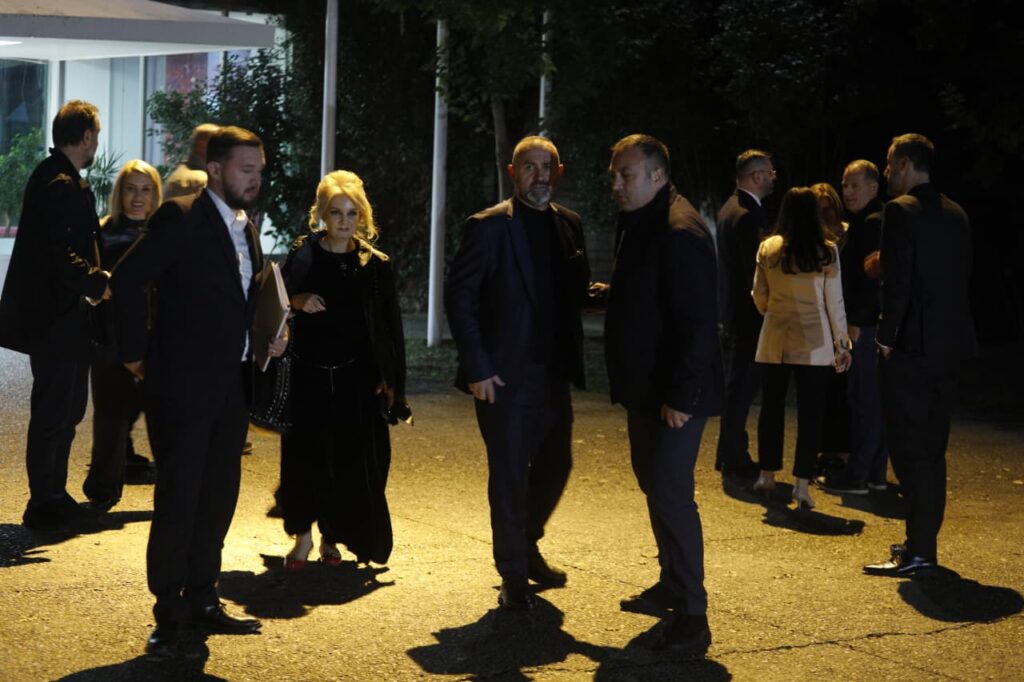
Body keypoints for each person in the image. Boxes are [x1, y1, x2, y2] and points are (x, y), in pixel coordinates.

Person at [110, 126, 286, 657]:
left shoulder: (244, 225)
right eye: (245, 170)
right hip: (182, 387)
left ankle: (204, 599)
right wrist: (134, 353)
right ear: (215, 168)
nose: (255, 179)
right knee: (179, 501)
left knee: (217, 498)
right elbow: (127, 279)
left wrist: (272, 333)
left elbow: (244, 296)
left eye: (259, 171)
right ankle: (168, 616)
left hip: (233, 382)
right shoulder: (180, 216)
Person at [446, 135, 591, 609]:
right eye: (529, 167)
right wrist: (478, 367)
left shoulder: (569, 224)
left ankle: (526, 545)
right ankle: (512, 574)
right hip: (503, 377)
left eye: (546, 167)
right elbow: (460, 297)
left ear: (558, 172)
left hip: (553, 374)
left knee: (556, 465)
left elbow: (575, 292)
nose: (539, 175)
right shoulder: (488, 227)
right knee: (510, 475)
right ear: (513, 173)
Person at [604, 134, 722, 657]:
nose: (616, 184)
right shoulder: (642, 219)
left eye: (626, 175)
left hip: (674, 395)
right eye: (613, 175)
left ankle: (693, 617)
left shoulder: (680, 229)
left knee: (672, 494)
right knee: (655, 485)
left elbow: (699, 324)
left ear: (657, 175)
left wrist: (681, 396)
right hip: (647, 389)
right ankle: (673, 584)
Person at [277, 170, 409, 569]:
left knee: (349, 461)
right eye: (336, 212)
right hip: (307, 374)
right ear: (322, 214)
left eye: (352, 213)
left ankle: (331, 538)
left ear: (362, 216)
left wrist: (391, 381)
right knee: (303, 459)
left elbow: (390, 328)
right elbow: (275, 300)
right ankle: (302, 538)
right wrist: (297, 300)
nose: (344, 220)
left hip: (356, 378)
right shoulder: (303, 254)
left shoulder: (374, 265)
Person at [864, 134, 977, 577]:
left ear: (906, 164)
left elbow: (898, 282)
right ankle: (922, 544)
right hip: (950, 345)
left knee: (908, 448)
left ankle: (918, 550)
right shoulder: (957, 213)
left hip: (911, 347)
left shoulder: (900, 211)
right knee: (932, 448)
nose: (887, 172)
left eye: (890, 163)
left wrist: (885, 337)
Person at [0, 100, 111, 529]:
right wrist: (97, 282)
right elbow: (61, 255)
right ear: (86, 136)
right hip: (58, 320)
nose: (96, 144)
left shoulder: (52, 177)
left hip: (56, 318)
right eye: (95, 136)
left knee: (62, 411)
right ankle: (45, 502)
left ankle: (52, 496)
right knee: (57, 412)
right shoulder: (61, 184)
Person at [751, 187, 852, 510]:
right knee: (811, 414)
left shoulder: (768, 248)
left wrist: (773, 312)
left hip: (775, 337)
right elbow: (834, 302)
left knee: (771, 408)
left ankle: (767, 474)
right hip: (815, 340)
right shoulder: (827, 251)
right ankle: (802, 485)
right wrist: (842, 343)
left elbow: (758, 294)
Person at [83, 160, 162, 510]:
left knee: (163, 418)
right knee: (111, 420)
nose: (138, 197)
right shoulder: (102, 232)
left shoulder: (164, 233)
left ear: (155, 194)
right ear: (120, 193)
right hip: (111, 338)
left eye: (146, 189)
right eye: (131, 189)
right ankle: (102, 491)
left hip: (156, 337)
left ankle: (174, 493)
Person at [821, 160, 887, 495]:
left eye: (854, 185)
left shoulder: (871, 224)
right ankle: (874, 473)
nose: (847, 191)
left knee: (864, 401)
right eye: (844, 185)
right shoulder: (868, 221)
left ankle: (858, 474)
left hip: (864, 326)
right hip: (870, 324)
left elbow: (870, 281)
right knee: (870, 400)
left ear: (873, 187)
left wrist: (857, 322)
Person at [714, 149, 775, 480]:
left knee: (736, 387)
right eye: (770, 172)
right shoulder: (748, 215)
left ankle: (728, 453)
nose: (773, 177)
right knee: (741, 389)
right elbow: (757, 271)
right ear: (757, 176)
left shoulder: (730, 208)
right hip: (749, 315)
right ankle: (734, 457)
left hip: (735, 312)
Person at [811, 182, 851, 475]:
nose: (825, 215)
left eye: (828, 209)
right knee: (819, 392)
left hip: (841, 318)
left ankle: (840, 451)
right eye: (819, 210)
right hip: (818, 321)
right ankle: (822, 449)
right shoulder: (812, 242)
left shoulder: (847, 235)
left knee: (842, 391)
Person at [163, 123, 218, 200]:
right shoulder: (200, 181)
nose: (222, 149)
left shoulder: (182, 174)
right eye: (217, 143)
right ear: (201, 145)